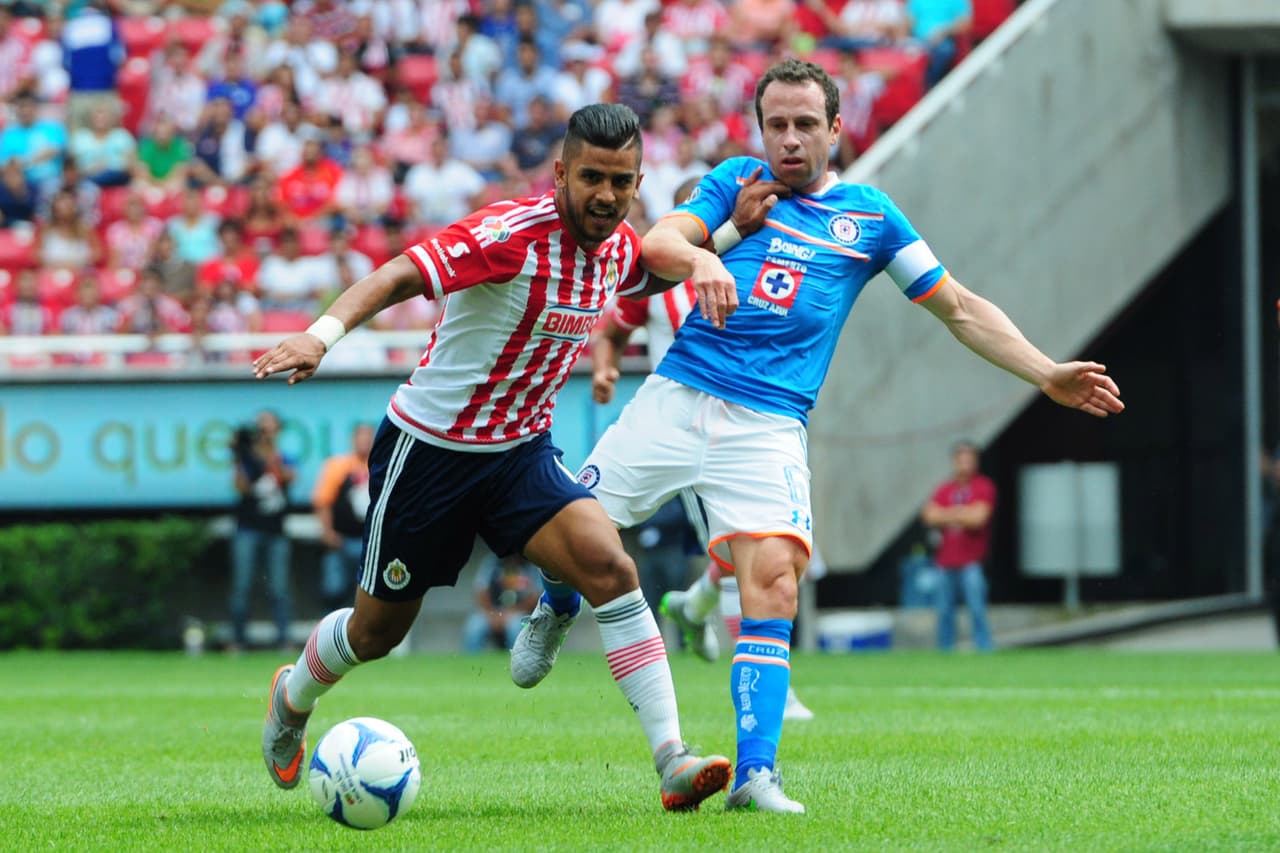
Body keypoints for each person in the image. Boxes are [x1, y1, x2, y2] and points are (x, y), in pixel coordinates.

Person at [514, 59, 1125, 813]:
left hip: (768, 424)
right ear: (759, 130)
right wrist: (709, 246)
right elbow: (656, 247)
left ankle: (755, 775)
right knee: (570, 535)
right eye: (777, 125)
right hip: (677, 400)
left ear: (836, 128)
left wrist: (1043, 372)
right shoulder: (737, 183)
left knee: (772, 584)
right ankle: (555, 605)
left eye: (806, 124)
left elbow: (959, 307)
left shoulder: (870, 218)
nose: (790, 140)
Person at [253, 103, 733, 811]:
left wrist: (722, 233)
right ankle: (292, 698)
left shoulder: (616, 245)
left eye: (622, 182)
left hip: (518, 454)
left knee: (610, 565)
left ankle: (671, 758)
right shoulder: (510, 235)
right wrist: (321, 336)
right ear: (563, 172)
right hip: (430, 453)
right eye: (593, 178)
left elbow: (651, 265)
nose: (606, 196)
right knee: (377, 630)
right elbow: (397, 274)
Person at [592, 174, 816, 722]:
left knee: (752, 550)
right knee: (748, 553)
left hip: (742, 428)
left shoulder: (753, 262)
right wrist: (605, 368)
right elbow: (614, 329)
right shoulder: (664, 279)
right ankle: (775, 694)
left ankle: (692, 608)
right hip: (678, 425)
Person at [229, 410, 297, 653]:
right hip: (247, 528)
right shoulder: (246, 458)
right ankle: (238, 640)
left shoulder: (283, 457)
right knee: (242, 586)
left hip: (276, 530)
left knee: (279, 588)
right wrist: (238, 455)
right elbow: (240, 487)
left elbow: (289, 478)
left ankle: (283, 639)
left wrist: (270, 456)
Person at [921, 440, 996, 651]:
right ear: (954, 462)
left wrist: (947, 513)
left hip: (971, 562)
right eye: (961, 460)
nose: (964, 465)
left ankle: (984, 648)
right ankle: (946, 650)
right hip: (945, 561)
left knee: (976, 608)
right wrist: (963, 512)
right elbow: (928, 515)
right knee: (944, 610)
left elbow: (978, 518)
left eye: (969, 460)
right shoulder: (944, 489)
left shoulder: (983, 486)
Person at [312, 424, 374, 613]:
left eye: (368, 437)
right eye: (360, 437)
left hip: (370, 543)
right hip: (341, 540)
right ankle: (328, 636)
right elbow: (323, 501)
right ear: (353, 440)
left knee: (366, 595)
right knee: (334, 590)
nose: (364, 441)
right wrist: (328, 532)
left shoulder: (380, 466)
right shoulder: (338, 466)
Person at [463, 551, 543, 653]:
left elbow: (537, 596)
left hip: (521, 613)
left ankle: (517, 662)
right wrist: (492, 614)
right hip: (492, 612)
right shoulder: (492, 563)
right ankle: (471, 665)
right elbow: (481, 591)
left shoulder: (532, 566)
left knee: (515, 627)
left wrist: (511, 613)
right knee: (474, 626)